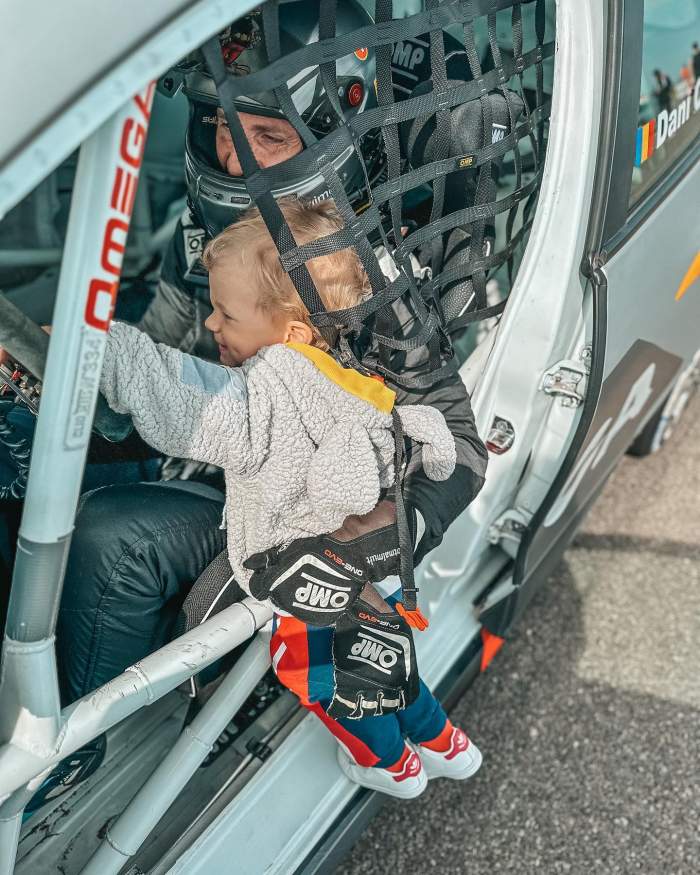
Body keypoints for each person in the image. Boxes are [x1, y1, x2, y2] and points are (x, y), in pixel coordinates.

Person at [96, 198, 481, 798]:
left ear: (292, 333)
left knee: (319, 676)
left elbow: (179, 401)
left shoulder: (273, 389)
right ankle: (444, 744)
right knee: (379, 653)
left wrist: (96, 349)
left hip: (302, 568)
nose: (211, 327)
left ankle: (389, 765)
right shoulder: (351, 372)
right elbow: (424, 430)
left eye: (226, 314)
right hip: (365, 560)